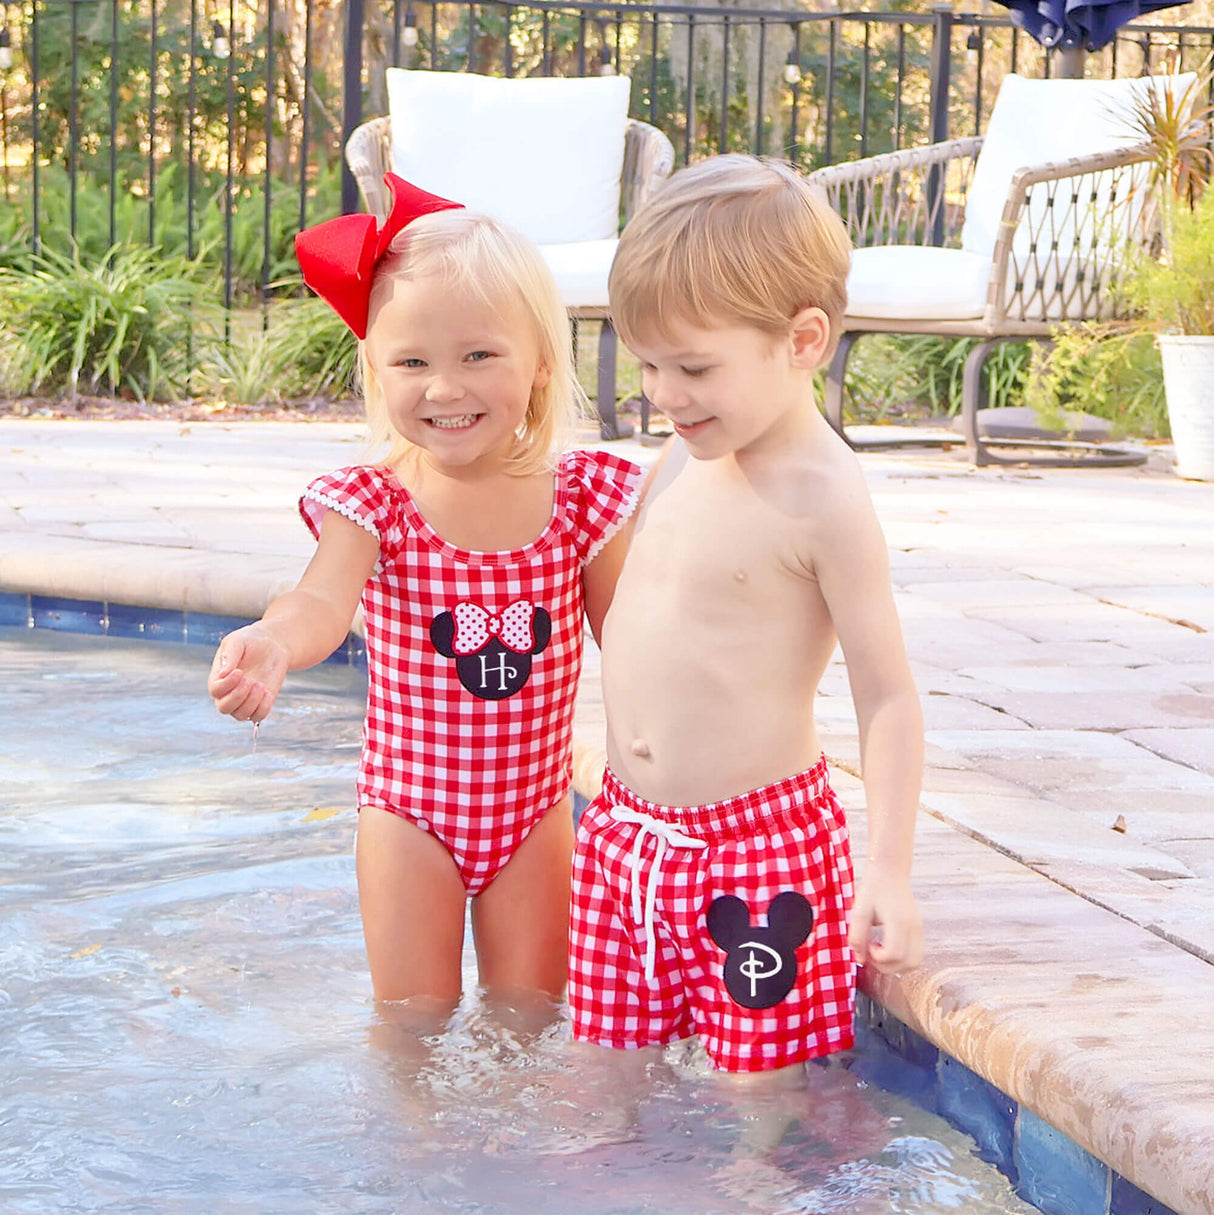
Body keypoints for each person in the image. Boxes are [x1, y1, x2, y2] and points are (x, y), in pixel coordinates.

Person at [207, 174, 644, 1021]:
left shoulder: (584, 498)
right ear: (375, 367)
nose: (445, 388)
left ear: (542, 362)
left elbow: (631, 640)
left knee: (531, 1022)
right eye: (412, 362)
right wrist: (273, 639)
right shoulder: (374, 501)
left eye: (479, 355)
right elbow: (321, 603)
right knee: (411, 1026)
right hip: (411, 815)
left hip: (536, 812)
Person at [569, 154, 924, 1082]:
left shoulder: (821, 497)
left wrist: (887, 865)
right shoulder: (682, 456)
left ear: (803, 341)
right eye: (647, 362)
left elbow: (887, 697)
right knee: (601, 1088)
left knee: (757, 1120)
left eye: (693, 366)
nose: (661, 393)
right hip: (626, 839)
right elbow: (651, 619)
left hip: (759, 859)